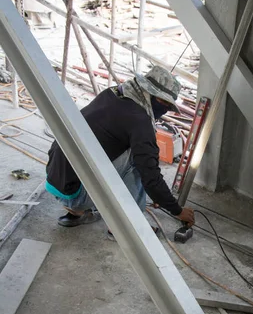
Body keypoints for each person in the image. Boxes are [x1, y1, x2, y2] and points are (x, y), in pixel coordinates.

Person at [46, 65, 194, 235]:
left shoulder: (112, 93)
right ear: (151, 94)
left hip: (55, 181)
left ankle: (77, 214)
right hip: (76, 194)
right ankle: (129, 228)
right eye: (165, 104)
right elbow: (150, 177)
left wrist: (160, 196)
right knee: (138, 159)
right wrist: (176, 209)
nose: (165, 109)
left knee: (115, 148)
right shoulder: (139, 121)